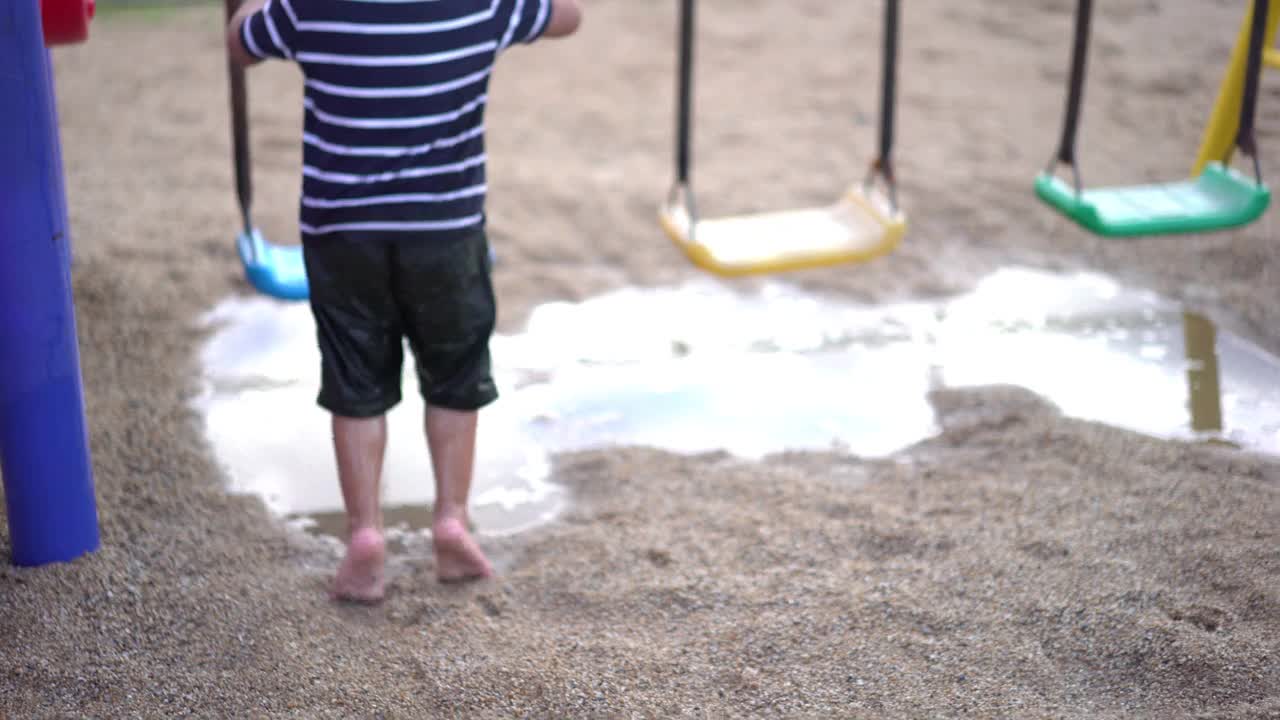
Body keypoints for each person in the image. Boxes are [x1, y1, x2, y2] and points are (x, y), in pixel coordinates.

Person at [226, 0, 583, 603]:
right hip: (446, 229)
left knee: (354, 377)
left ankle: (365, 533)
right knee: (454, 371)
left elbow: (242, 43)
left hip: (342, 232)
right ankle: (450, 517)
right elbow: (568, 17)